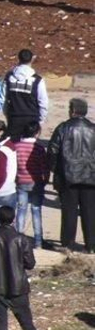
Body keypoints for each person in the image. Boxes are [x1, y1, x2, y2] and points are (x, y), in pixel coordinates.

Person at [47, 98, 95, 252]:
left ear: (73, 111)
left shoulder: (63, 128)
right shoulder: (93, 129)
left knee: (69, 212)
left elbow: (52, 152)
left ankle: (68, 244)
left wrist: (56, 170)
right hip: (90, 177)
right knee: (90, 212)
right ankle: (91, 245)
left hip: (68, 177)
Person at [4, 48, 50, 139]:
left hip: (14, 117)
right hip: (32, 120)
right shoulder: (38, 80)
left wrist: (8, 115)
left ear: (18, 59)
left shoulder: (9, 77)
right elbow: (43, 103)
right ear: (32, 59)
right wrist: (40, 121)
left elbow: (3, 99)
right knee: (29, 150)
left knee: (13, 149)